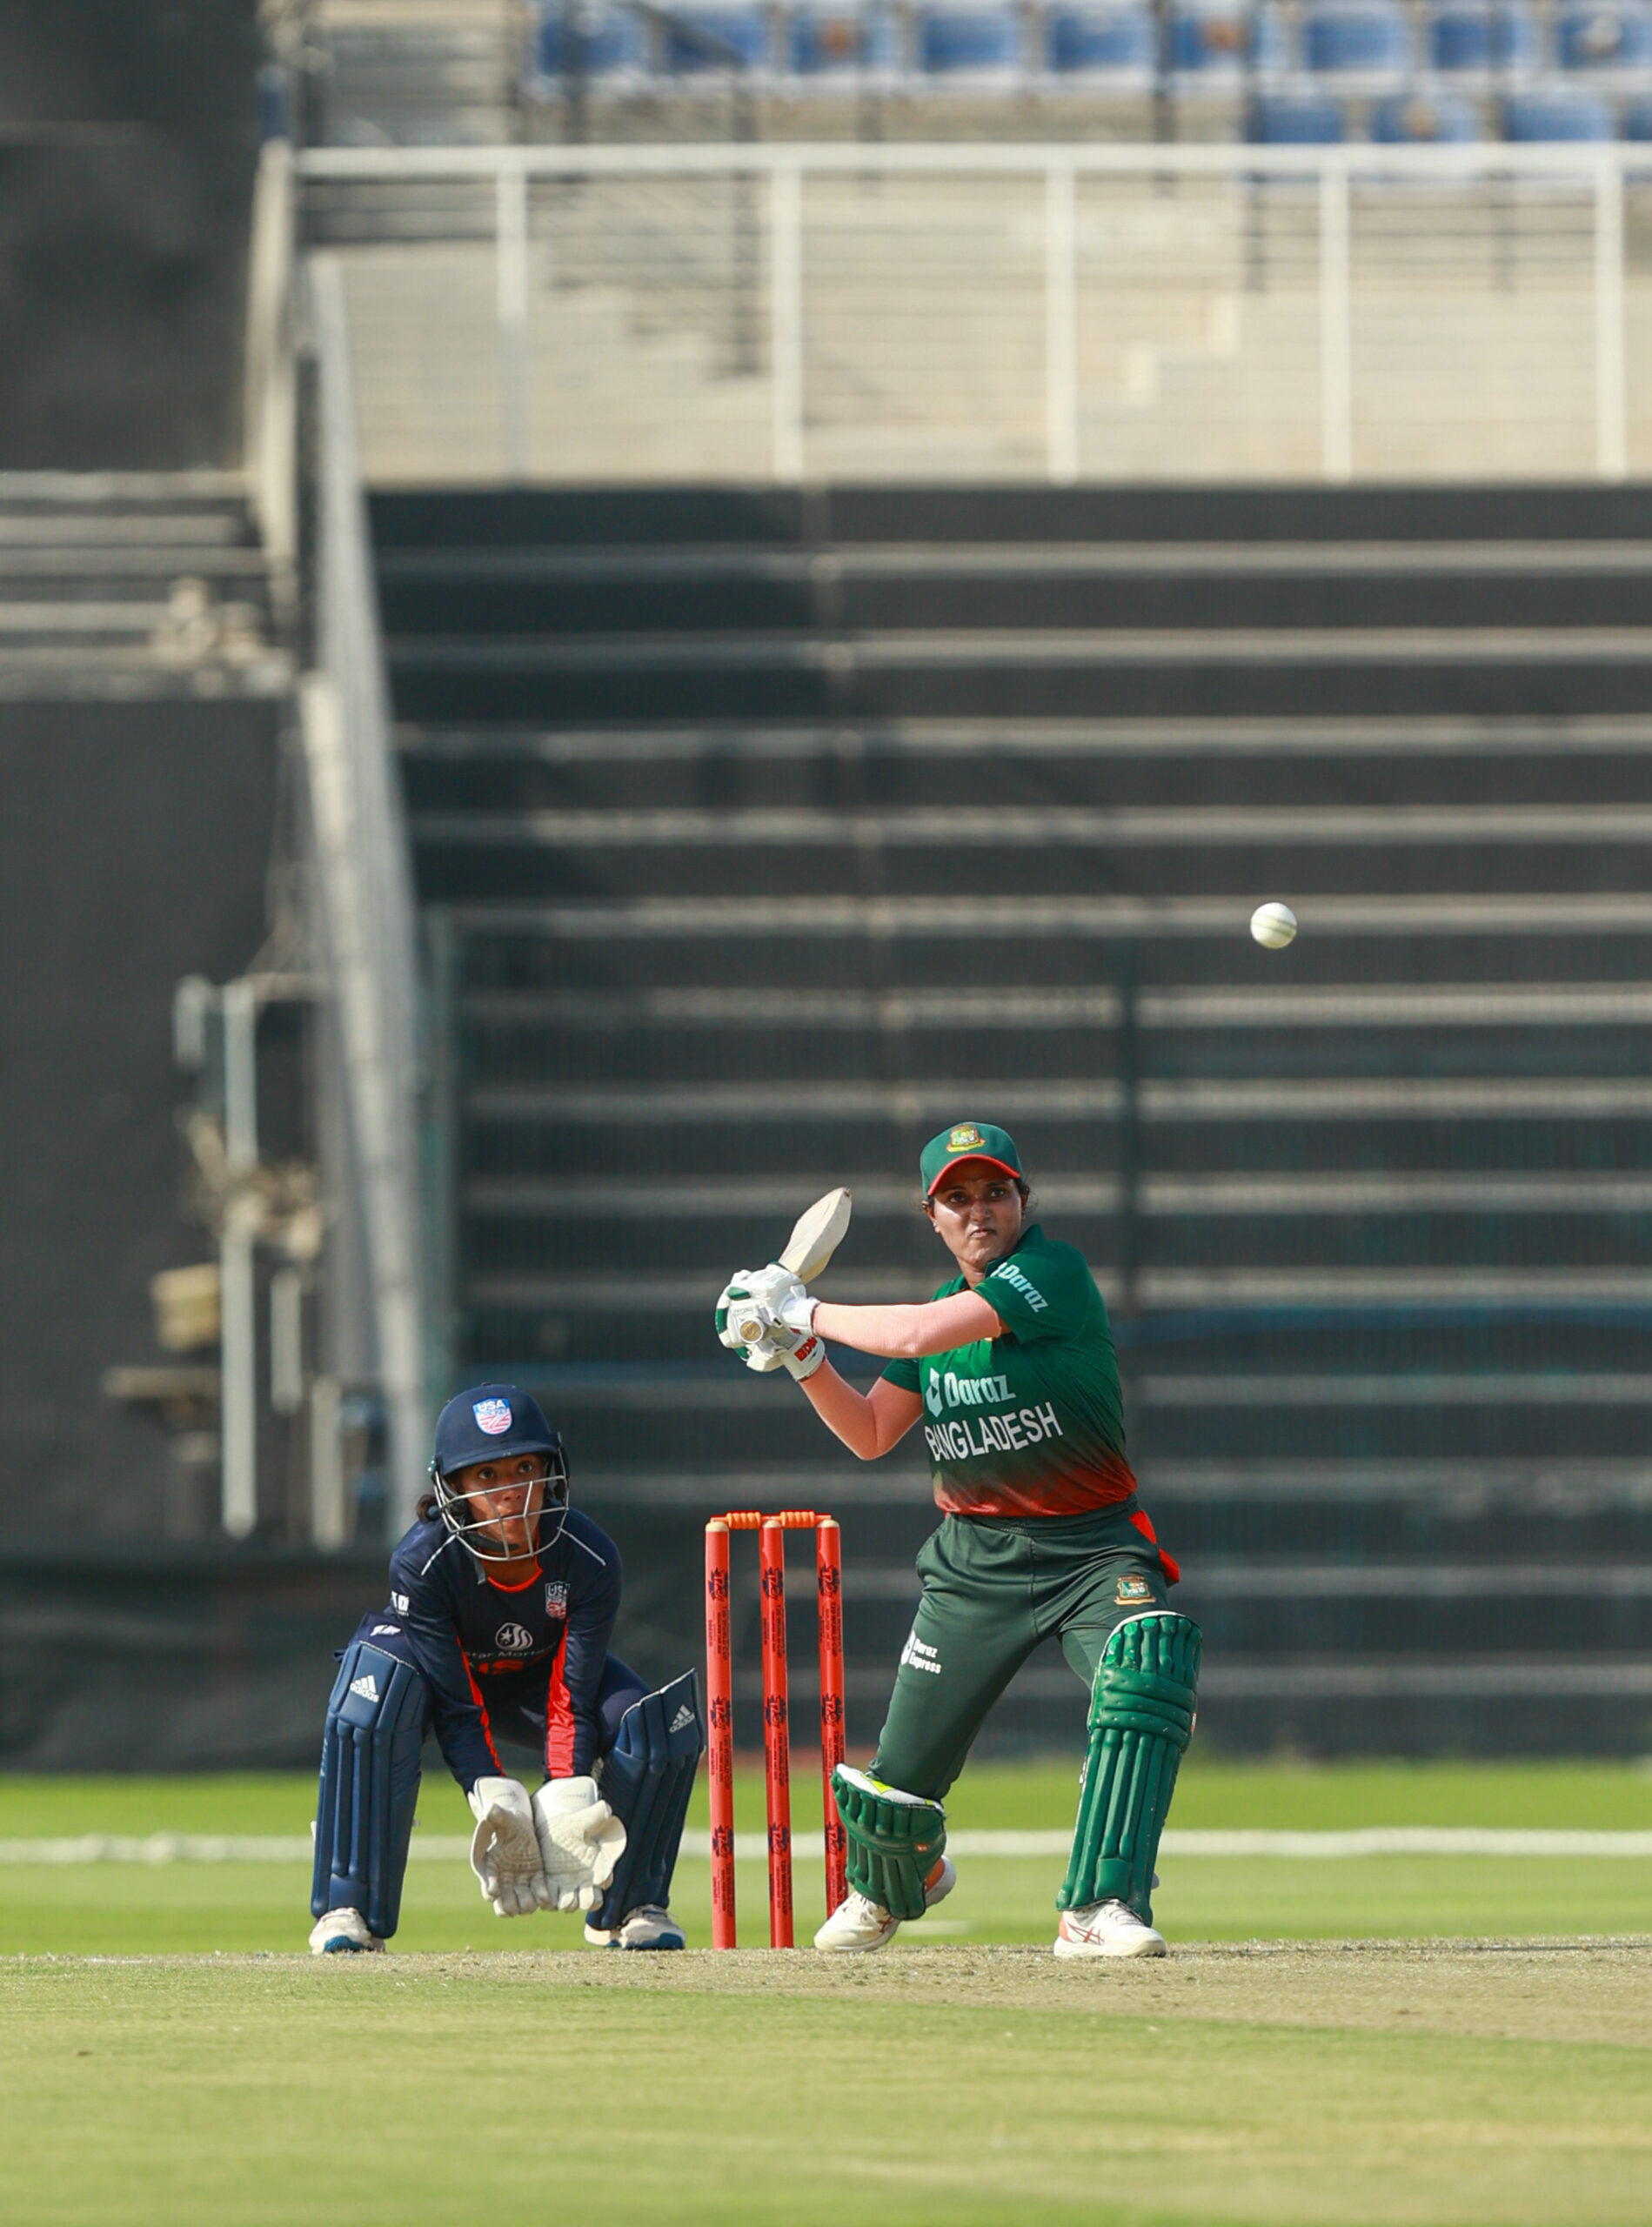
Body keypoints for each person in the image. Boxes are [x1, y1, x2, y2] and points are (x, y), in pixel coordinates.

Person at [716, 1121, 1200, 1959]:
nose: (979, 1210)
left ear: (1021, 1202)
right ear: (933, 1216)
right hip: (974, 1565)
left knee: (1144, 1669)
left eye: (994, 1193)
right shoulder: (942, 1312)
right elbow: (869, 1432)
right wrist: (799, 1355)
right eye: (957, 1198)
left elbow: (911, 1336)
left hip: (1092, 1550)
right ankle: (897, 1880)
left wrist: (803, 1309)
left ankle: (1098, 1906)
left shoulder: (1050, 1274)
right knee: (891, 1795)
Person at [308, 1384, 704, 1954]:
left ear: (550, 1471)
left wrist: (564, 1789)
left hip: (535, 1681)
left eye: (523, 1469)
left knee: (651, 1726)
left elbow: (574, 1687)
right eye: (485, 1478)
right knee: (377, 1698)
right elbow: (454, 1703)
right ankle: (347, 1910)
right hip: (435, 1679)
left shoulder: (589, 1557)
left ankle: (629, 1907)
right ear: (453, 1490)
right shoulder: (421, 1563)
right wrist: (489, 1787)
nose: (510, 1494)